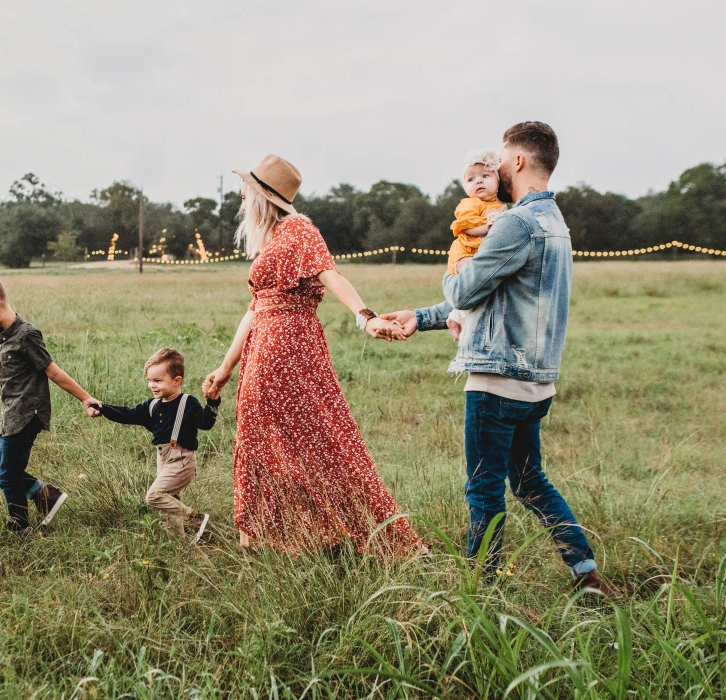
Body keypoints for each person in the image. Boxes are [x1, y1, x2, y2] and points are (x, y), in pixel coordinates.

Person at [381, 122, 618, 597]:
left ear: (520, 162)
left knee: (483, 488)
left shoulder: (514, 222)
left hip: (497, 380)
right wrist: (422, 317)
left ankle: (479, 589)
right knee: (531, 483)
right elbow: (496, 297)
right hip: (536, 383)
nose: (495, 168)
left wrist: (457, 269)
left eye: (502, 159)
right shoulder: (556, 224)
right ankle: (586, 574)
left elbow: (467, 288)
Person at [201, 153, 426, 557]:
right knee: (264, 437)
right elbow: (254, 309)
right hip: (265, 345)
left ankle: (346, 531)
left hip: (287, 346)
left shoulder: (299, 229)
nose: (239, 196)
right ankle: (269, 535)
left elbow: (331, 274)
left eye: (245, 190)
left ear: (262, 196)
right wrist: (224, 368)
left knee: (317, 438)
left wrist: (365, 317)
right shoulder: (272, 238)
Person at [0, 271, 100, 534]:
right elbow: (13, 368)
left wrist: (85, 398)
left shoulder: (27, 335)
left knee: (7, 475)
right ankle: (45, 495)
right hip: (11, 415)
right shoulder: (5, 335)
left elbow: (52, 370)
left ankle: (20, 525)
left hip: (26, 416)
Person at [89, 348, 220, 543]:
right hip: (163, 459)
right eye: (150, 380)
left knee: (155, 497)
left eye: (158, 381)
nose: (152, 385)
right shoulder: (152, 406)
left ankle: (194, 519)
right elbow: (127, 414)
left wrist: (212, 402)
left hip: (182, 460)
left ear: (177, 381)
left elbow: (205, 423)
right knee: (168, 506)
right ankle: (179, 544)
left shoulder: (187, 402)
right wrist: (102, 408)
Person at [446, 149, 506, 342]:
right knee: (472, 280)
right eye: (470, 179)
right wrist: (484, 228)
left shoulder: (500, 206)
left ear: (498, 181)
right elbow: (464, 225)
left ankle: (456, 316)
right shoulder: (471, 204)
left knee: (481, 285)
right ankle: (460, 318)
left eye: (485, 176)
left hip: (479, 253)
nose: (478, 181)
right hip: (465, 252)